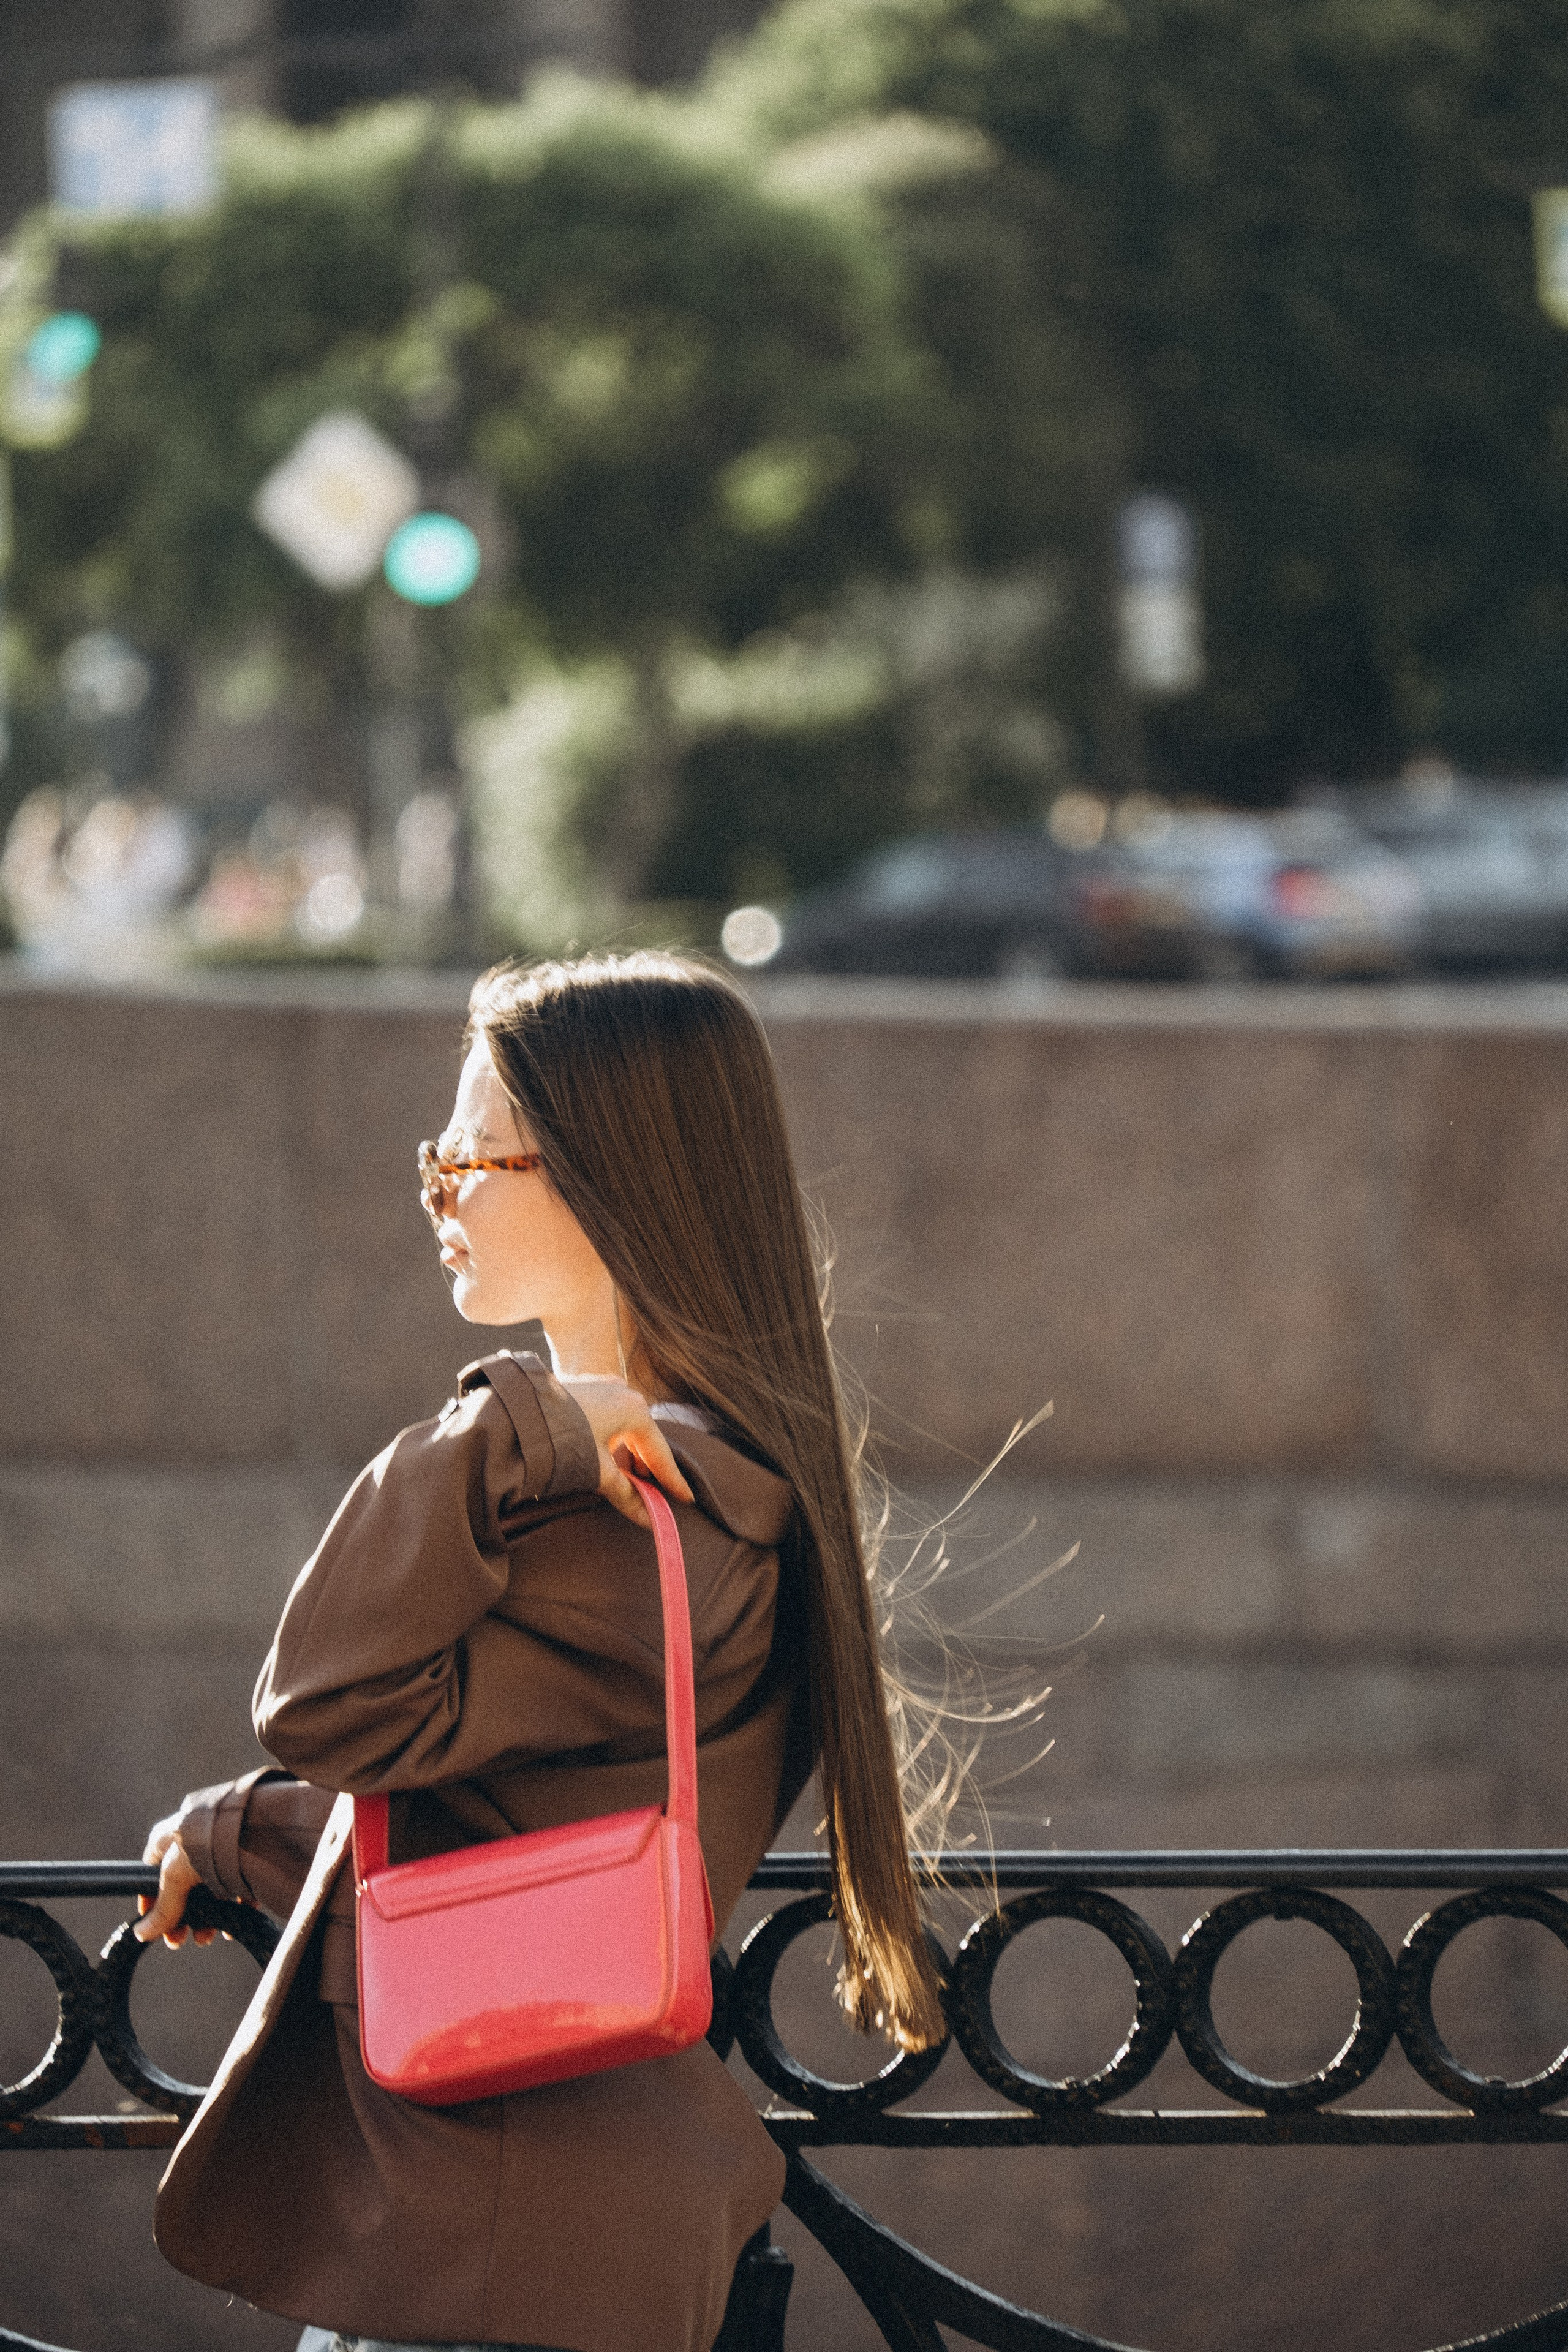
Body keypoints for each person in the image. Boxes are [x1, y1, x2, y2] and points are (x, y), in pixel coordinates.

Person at [136, 951, 946, 2352]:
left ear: (601, 1178)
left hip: (498, 2248)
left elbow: (322, 1701)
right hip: (538, 2234)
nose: (439, 1193)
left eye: (470, 1158)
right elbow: (504, 1797)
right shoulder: (724, 1491)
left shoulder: (647, 1519)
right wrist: (242, 1836)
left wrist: (515, 1419)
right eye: (433, 1157)